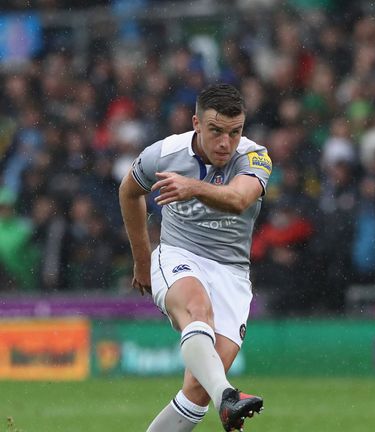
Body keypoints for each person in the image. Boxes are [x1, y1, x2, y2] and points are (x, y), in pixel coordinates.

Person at [119, 84, 270, 432]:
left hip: (232, 274)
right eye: (215, 131)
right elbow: (129, 192)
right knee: (197, 309)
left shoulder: (255, 156)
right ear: (196, 124)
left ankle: (221, 396)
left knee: (198, 388)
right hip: (179, 254)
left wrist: (192, 188)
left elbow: (237, 199)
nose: (225, 143)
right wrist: (142, 262)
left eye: (235, 133)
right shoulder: (164, 153)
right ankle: (228, 397)